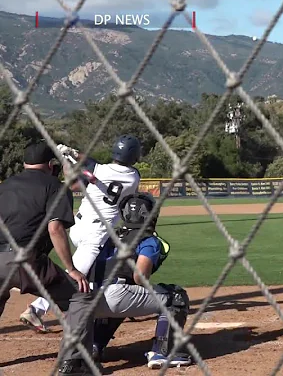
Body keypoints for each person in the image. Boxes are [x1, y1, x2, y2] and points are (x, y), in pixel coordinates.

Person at [58, 192, 192, 373]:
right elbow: (139, 276)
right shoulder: (148, 239)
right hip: (117, 295)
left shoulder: (108, 237)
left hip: (88, 300)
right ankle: (163, 353)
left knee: (124, 297)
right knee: (176, 297)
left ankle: (94, 345)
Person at [21, 134, 142, 333]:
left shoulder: (100, 170)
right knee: (73, 276)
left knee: (105, 264)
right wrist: (74, 154)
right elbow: (91, 165)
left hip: (77, 227)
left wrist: (70, 153)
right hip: (96, 234)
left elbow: (87, 168)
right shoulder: (133, 176)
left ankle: (102, 298)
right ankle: (36, 309)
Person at [0, 141, 91, 348]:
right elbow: (55, 229)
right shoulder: (55, 187)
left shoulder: (4, 186)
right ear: (51, 164)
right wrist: (71, 269)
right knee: (79, 299)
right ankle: (75, 361)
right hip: (26, 260)